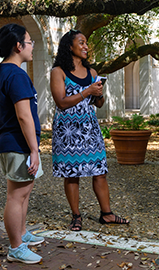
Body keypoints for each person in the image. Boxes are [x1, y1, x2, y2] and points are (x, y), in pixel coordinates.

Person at [50, 29, 129, 232]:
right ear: (70, 46)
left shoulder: (91, 72)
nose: (86, 46)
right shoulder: (58, 71)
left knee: (100, 171)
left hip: (89, 129)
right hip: (67, 130)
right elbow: (61, 102)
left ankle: (107, 214)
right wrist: (87, 91)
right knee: (72, 174)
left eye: (86, 43)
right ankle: (76, 216)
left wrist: (99, 92)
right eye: (82, 42)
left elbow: (99, 104)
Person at [0, 23, 45, 264]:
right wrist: (33, 149)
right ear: (18, 46)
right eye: (30, 42)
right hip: (17, 143)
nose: (32, 47)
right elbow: (23, 115)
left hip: (9, 141)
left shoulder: (1, 72)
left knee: (23, 192)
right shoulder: (16, 74)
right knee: (16, 196)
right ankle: (16, 247)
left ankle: (21, 233)